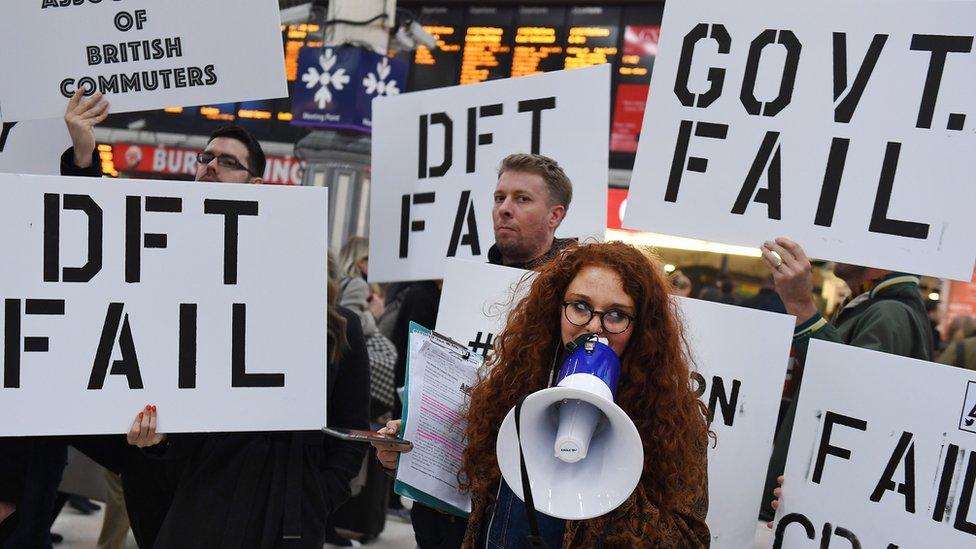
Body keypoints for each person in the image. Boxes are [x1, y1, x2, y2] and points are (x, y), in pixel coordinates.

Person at [375, 241, 711, 547]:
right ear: (556, 308)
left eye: (616, 314)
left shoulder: (672, 420)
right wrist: (409, 453)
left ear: (642, 326)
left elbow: (689, 540)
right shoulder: (512, 386)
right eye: (580, 306)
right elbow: (467, 487)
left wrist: (613, 489)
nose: (594, 326)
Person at [126, 257, 370, 547]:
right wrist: (163, 439)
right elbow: (196, 408)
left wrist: (321, 494)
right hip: (209, 495)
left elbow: (353, 428)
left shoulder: (340, 326)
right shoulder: (220, 312)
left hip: (291, 508)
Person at [757, 237, 932, 521]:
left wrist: (801, 306)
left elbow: (852, 403)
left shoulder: (890, 313)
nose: (839, 241)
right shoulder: (879, 309)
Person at [60, 89, 265, 184]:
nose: (210, 166)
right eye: (206, 158)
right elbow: (88, 224)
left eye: (228, 162)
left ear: (255, 185)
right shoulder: (161, 221)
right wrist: (83, 156)